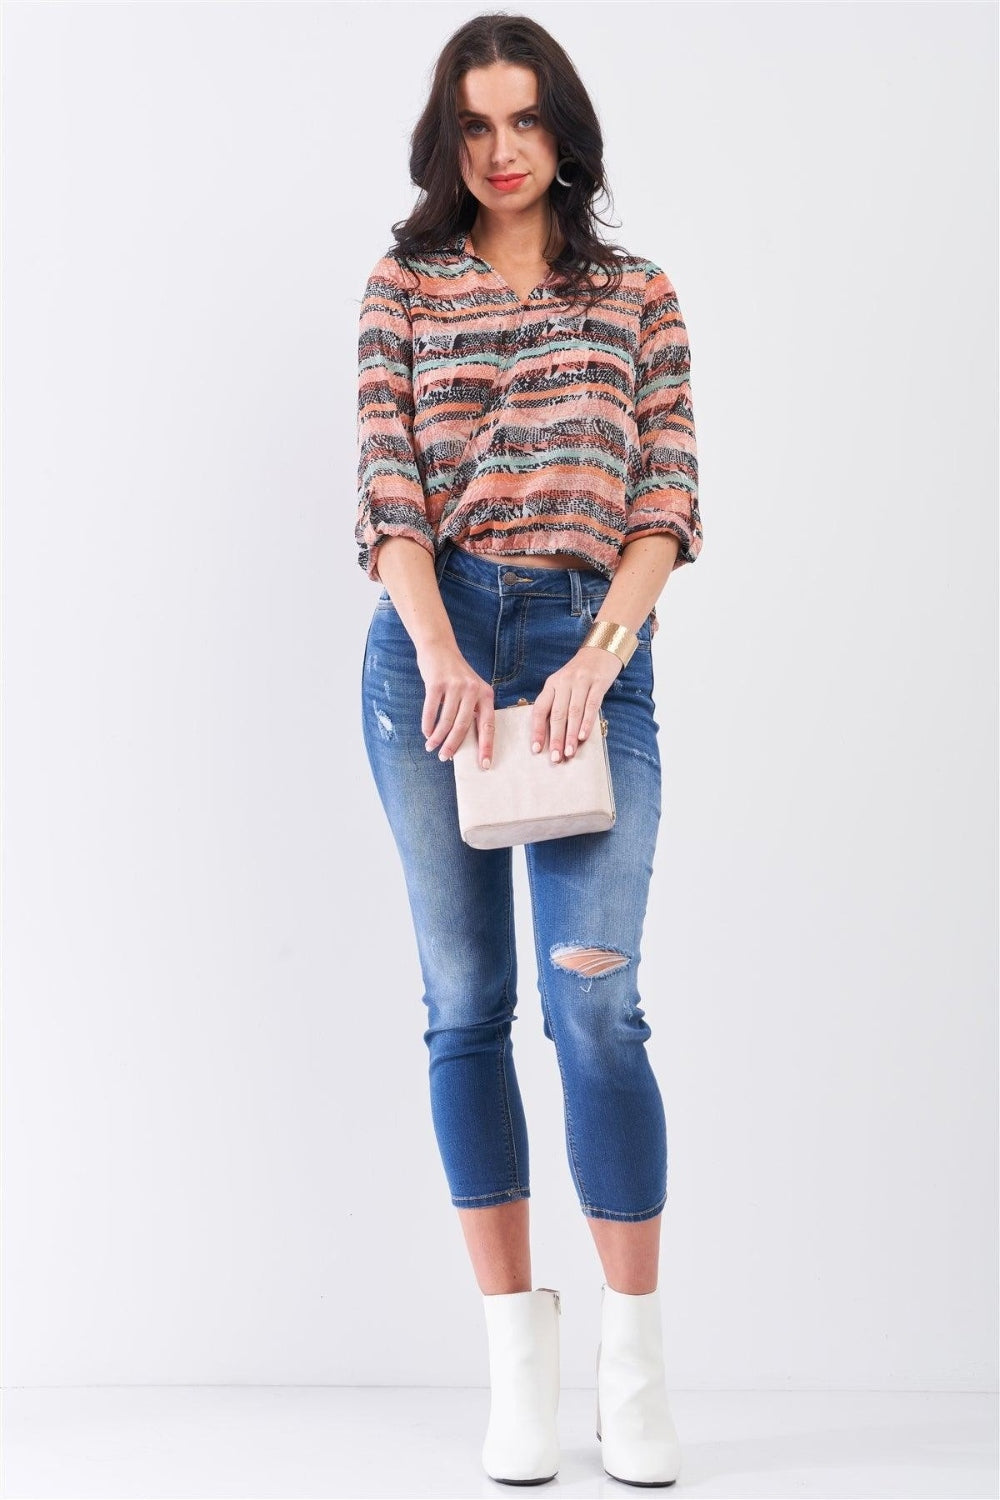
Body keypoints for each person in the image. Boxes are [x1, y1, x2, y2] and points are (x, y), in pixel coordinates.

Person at [355, 13, 702, 1487]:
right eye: (477, 126)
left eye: (527, 120)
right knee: (463, 1006)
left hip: (589, 650)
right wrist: (440, 649)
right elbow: (386, 487)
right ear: (450, 139)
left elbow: (668, 502)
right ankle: (517, 1359)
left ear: (567, 127)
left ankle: (633, 1365)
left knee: (595, 1011)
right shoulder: (403, 283)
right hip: (427, 651)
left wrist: (594, 658)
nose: (503, 151)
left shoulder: (638, 292)